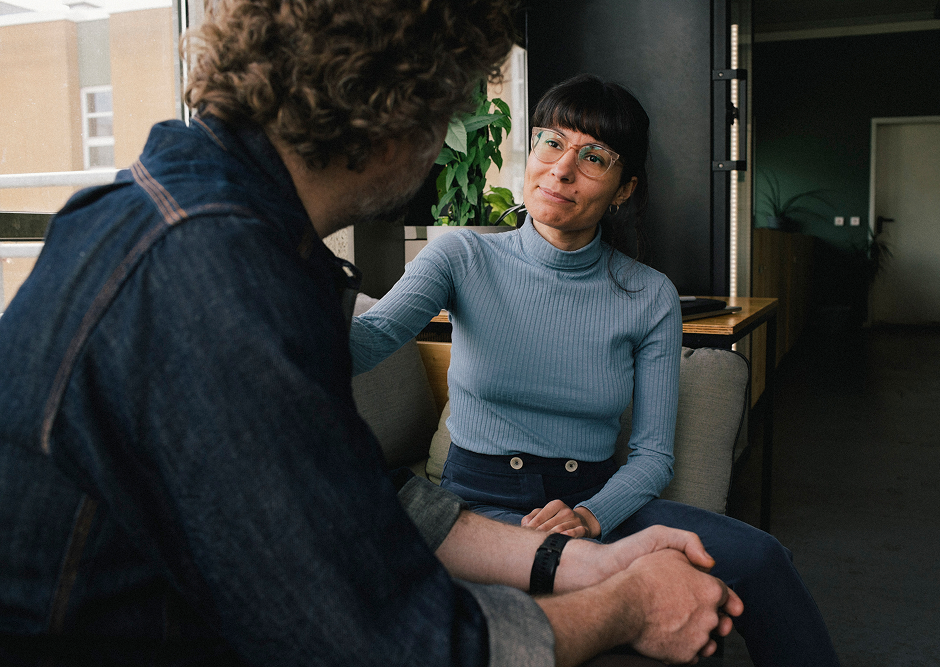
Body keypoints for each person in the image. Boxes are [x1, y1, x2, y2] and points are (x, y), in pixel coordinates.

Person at [0, 2, 743, 666]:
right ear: (396, 110)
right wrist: (625, 604)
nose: (444, 146)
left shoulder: (190, 208)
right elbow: (398, 641)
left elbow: (356, 493)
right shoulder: (218, 274)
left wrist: (572, 560)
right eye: (448, 111)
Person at [351, 74, 841, 666]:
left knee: (761, 560)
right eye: (550, 143)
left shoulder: (648, 295)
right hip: (478, 504)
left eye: (594, 157)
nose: (561, 169)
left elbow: (654, 456)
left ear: (624, 188)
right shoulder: (462, 255)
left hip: (597, 499)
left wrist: (589, 516)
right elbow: (372, 338)